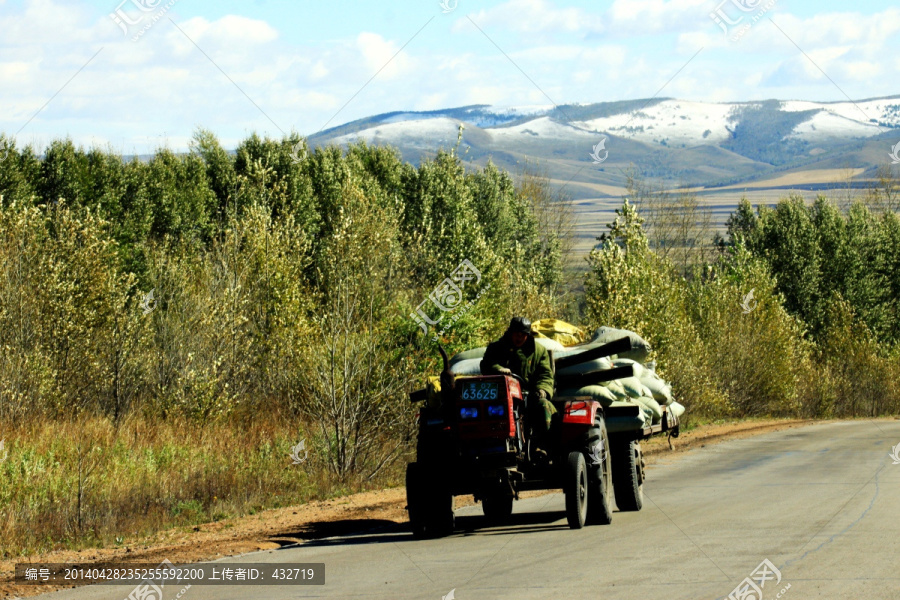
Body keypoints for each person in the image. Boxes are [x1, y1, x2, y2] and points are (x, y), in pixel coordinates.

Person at [480, 317, 556, 452]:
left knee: (544, 407)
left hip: (530, 397)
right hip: (500, 396)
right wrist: (498, 369)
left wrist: (542, 390)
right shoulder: (496, 348)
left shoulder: (538, 351)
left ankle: (543, 447)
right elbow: (486, 365)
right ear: (510, 333)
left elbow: (545, 375)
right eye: (516, 334)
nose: (519, 338)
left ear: (528, 335)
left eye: (522, 335)